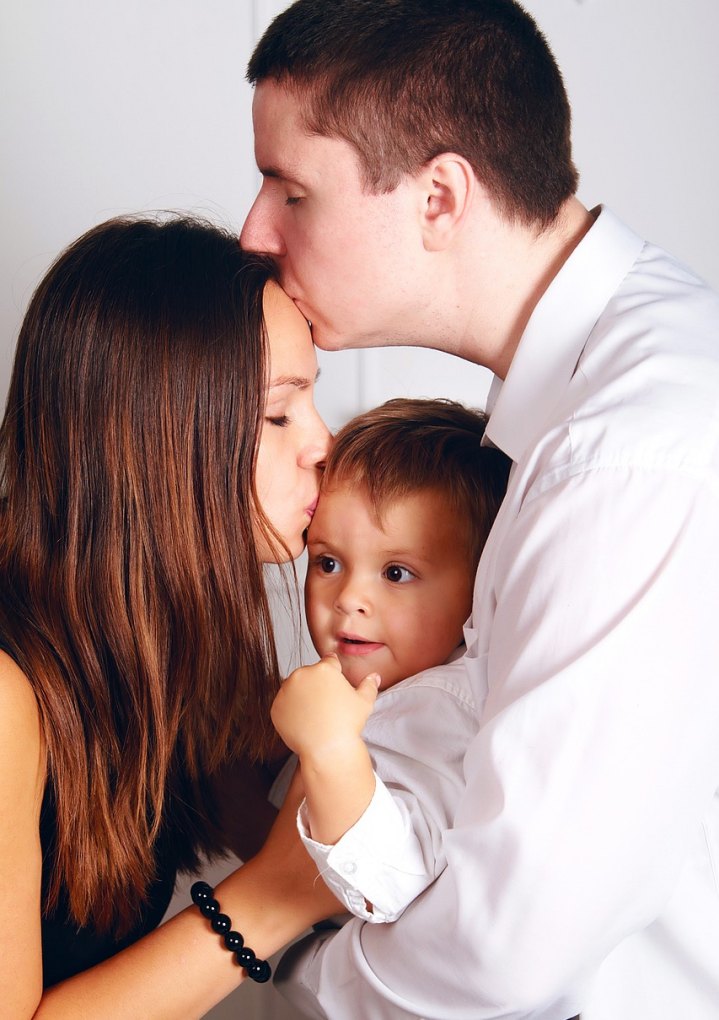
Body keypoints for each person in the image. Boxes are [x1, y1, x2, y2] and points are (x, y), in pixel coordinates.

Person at [240, 1, 719, 1018]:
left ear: (438, 199)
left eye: (292, 190)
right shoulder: (599, 409)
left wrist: (293, 996)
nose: (254, 232)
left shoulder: (624, 459)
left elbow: (505, 954)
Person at [0, 213, 341, 1016]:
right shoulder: (7, 691)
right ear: (157, 435)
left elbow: (298, 832)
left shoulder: (163, 638)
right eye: (277, 414)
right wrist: (269, 903)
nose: (322, 443)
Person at [271, 398, 510, 925]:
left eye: (397, 573)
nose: (349, 597)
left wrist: (330, 749)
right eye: (328, 562)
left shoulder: (439, 708)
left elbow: (394, 882)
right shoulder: (378, 692)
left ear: (479, 587)